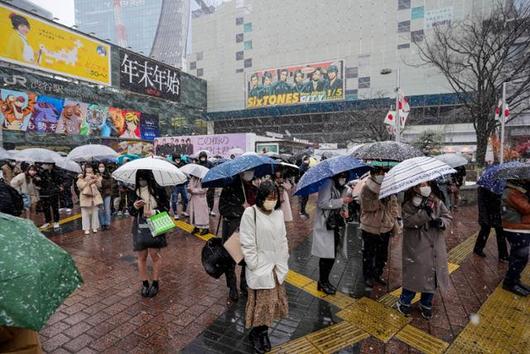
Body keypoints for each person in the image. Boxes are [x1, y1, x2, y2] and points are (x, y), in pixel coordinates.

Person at [240, 181, 289, 353]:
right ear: (261, 197)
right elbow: (247, 242)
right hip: (260, 267)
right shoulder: (250, 213)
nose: (272, 201)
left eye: (275, 198)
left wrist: (283, 258)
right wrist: (254, 264)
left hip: (276, 267)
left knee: (271, 304)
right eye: (269, 198)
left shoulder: (278, 214)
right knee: (260, 305)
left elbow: (283, 239)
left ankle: (263, 333)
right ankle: (257, 333)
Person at [395, 181, 452, 319]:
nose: (425, 187)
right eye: (421, 185)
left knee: (432, 275)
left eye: (427, 184)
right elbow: (408, 222)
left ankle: (426, 303)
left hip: (434, 245)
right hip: (416, 246)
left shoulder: (436, 201)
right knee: (415, 274)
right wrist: (424, 214)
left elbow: (447, 216)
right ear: (415, 187)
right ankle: (404, 300)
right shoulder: (409, 204)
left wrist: (440, 222)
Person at [128, 170, 170, 298]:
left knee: (154, 255)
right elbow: (131, 211)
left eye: (144, 178)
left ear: (149, 178)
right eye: (139, 179)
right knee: (141, 256)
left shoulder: (159, 190)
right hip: (140, 226)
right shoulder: (134, 192)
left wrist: (154, 212)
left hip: (155, 224)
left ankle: (155, 283)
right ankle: (145, 283)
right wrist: (135, 206)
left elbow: (166, 208)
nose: (141, 181)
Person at [218, 170, 258, 302]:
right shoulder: (229, 187)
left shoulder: (252, 187)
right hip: (233, 229)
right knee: (231, 260)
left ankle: (244, 284)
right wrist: (242, 209)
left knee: (247, 258)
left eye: (252, 172)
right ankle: (232, 287)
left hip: (249, 229)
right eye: (248, 172)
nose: (250, 174)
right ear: (241, 173)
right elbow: (223, 209)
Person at [311, 173, 352, 295]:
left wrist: (345, 210)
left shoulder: (343, 186)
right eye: (342, 175)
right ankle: (322, 282)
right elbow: (322, 203)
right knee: (326, 255)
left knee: (332, 254)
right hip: (325, 224)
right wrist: (342, 201)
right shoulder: (328, 183)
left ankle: (325, 281)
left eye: (346, 175)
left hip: (335, 224)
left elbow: (342, 203)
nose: (343, 177)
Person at [359, 167, 400, 287]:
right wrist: (380, 201)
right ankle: (368, 276)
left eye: (383, 173)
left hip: (386, 226)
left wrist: (393, 216)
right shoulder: (366, 187)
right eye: (379, 173)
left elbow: (394, 203)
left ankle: (377, 274)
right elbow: (367, 207)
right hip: (370, 226)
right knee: (369, 254)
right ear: (373, 174)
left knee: (382, 254)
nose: (382, 175)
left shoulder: (388, 186)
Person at [500, 179, 530, 297]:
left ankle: (515, 280)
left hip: (518, 228)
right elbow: (527, 208)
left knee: (518, 256)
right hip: (516, 228)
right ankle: (509, 282)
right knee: (520, 257)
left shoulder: (515, 192)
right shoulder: (512, 192)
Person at [473, 186, 509, 261]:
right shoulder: (484, 187)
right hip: (488, 212)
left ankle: (503, 255)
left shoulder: (500, 185)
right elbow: (482, 203)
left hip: (497, 212)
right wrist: (483, 216)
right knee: (485, 230)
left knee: (500, 232)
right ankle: (478, 249)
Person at [35, 163, 63, 229]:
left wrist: (58, 187)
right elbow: (37, 183)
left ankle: (56, 221)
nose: (46, 166)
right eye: (46, 164)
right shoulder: (41, 173)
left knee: (55, 207)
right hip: (44, 193)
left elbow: (60, 181)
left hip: (54, 193)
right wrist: (37, 180)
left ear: (52, 165)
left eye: (48, 165)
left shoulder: (56, 172)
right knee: (46, 208)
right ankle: (48, 221)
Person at [77, 164, 103, 235]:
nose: (89, 169)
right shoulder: (81, 176)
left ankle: (94, 227)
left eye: (90, 167)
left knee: (95, 212)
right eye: (87, 168)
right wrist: (88, 182)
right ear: (85, 169)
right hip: (85, 197)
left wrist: (96, 179)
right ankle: (86, 228)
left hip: (94, 197)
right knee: (85, 214)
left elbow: (99, 185)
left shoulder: (95, 175)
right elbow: (79, 186)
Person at [171, 154, 189, 220]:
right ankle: (175, 213)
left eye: (178, 158)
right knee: (174, 200)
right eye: (176, 158)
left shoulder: (183, 164)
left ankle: (183, 211)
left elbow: (186, 173)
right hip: (175, 185)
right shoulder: (171, 166)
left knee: (186, 199)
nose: (177, 160)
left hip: (183, 184)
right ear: (173, 159)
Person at [198, 151, 216, 216]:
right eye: (201, 157)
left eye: (204, 157)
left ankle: (210, 210)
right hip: (201, 182)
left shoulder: (210, 163)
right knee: (202, 197)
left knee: (210, 197)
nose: (203, 158)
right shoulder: (198, 164)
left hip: (210, 182)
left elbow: (213, 171)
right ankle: (203, 209)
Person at [97, 163, 113, 231]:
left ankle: (107, 223)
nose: (101, 168)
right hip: (99, 195)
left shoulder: (108, 175)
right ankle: (102, 224)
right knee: (100, 210)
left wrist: (102, 180)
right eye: (100, 166)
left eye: (102, 166)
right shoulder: (96, 175)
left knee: (107, 209)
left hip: (107, 194)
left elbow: (109, 184)